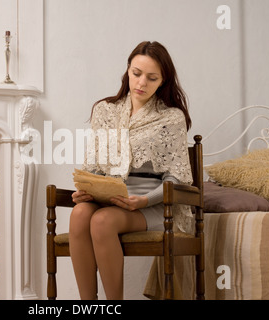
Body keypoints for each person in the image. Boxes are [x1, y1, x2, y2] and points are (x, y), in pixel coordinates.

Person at [69, 41, 194, 300]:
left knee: (102, 221)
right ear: (128, 70)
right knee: (80, 213)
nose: (141, 83)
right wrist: (87, 191)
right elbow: (94, 167)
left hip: (156, 205)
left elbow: (177, 177)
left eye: (152, 78)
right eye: (137, 73)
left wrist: (144, 200)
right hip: (111, 197)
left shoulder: (171, 117)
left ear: (163, 81)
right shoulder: (105, 110)